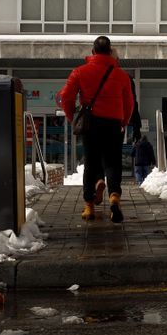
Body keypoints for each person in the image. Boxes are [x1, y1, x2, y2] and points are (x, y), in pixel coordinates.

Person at [57, 36, 133, 223]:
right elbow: (129, 103)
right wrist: (123, 122)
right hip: (113, 123)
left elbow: (65, 96)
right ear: (110, 53)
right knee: (113, 162)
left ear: (93, 52)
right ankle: (114, 198)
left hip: (91, 123)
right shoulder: (122, 75)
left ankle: (89, 206)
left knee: (91, 163)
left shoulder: (80, 72)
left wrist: (72, 116)